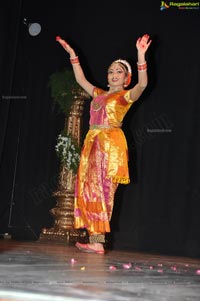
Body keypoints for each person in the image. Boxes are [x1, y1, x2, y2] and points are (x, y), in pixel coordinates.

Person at [56, 34, 152, 254]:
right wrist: (73, 56)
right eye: (111, 71)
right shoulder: (98, 94)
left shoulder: (125, 96)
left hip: (109, 146)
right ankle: (96, 240)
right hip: (92, 144)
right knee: (88, 190)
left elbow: (143, 83)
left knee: (103, 191)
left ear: (127, 78)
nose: (114, 74)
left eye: (119, 71)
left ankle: (98, 240)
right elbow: (81, 80)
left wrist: (140, 55)